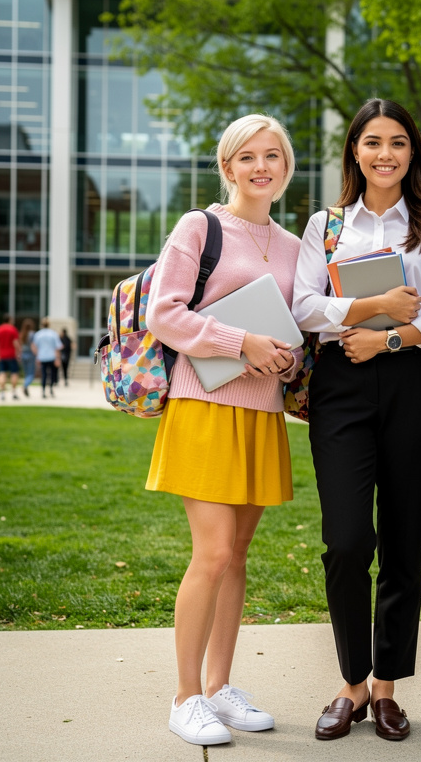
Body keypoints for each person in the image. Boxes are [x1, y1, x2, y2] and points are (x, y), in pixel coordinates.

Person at [292, 98, 421, 743]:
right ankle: (351, 683)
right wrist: (372, 305)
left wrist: (389, 338)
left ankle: (388, 688)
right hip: (340, 388)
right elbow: (303, 305)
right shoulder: (326, 225)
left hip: (413, 387)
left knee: (403, 541)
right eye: (373, 142)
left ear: (412, 153)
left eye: (398, 142)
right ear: (355, 152)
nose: (385, 153)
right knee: (345, 542)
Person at [145, 114, 301, 747]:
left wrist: (287, 355)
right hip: (203, 407)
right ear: (227, 167)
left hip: (262, 414)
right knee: (210, 554)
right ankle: (185, 698)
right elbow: (163, 313)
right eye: (247, 157)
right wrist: (243, 340)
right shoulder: (199, 227)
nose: (261, 167)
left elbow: (297, 329)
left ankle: (219, 687)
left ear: (287, 166)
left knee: (237, 556)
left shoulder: (294, 246)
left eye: (273, 156)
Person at [0, 315, 21, 401]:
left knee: (2, 373)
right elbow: (15, 343)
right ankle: (14, 392)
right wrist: (18, 353)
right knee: (14, 373)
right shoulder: (12, 329)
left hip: (2, 355)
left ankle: (2, 392)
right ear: (10, 320)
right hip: (11, 355)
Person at [30, 318, 63, 398]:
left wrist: (37, 355)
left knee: (44, 375)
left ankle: (43, 391)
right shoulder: (53, 334)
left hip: (42, 357)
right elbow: (58, 347)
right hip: (52, 357)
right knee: (52, 374)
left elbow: (33, 346)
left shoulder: (38, 334)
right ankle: (51, 390)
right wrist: (58, 358)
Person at [18, 319, 37, 397]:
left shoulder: (21, 334)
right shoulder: (32, 334)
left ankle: (26, 387)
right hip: (30, 355)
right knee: (31, 374)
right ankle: (25, 385)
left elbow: (20, 346)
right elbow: (33, 346)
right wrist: (37, 355)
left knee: (26, 374)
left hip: (23, 355)